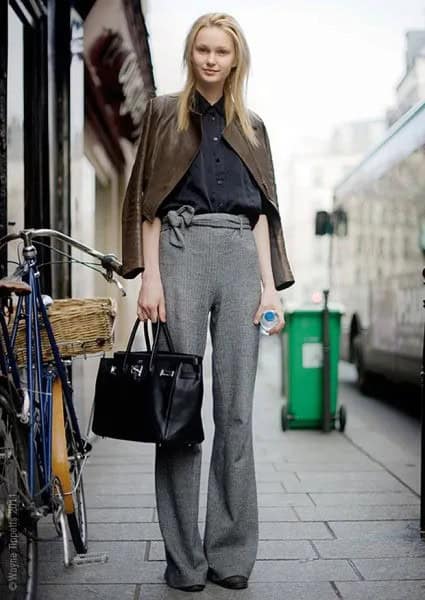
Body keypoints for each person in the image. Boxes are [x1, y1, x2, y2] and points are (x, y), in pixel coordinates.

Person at [121, 12, 294, 593]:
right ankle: (184, 561)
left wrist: (270, 289)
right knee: (178, 409)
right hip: (180, 250)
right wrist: (150, 278)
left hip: (241, 261)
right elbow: (147, 196)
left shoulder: (255, 126)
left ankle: (231, 554)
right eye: (202, 48)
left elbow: (262, 217)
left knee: (237, 412)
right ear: (191, 53)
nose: (211, 58)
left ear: (236, 58)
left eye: (222, 50)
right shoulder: (165, 112)